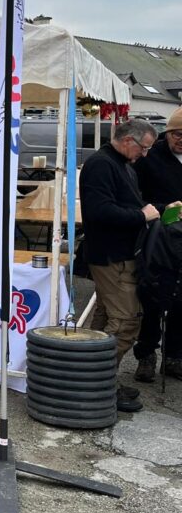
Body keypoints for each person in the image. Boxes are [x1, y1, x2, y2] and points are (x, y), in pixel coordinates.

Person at [80, 118, 160, 412]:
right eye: (144, 148)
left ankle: (92, 379)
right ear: (128, 140)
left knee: (105, 319)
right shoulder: (102, 165)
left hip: (120, 255)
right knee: (126, 322)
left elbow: (128, 204)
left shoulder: (122, 164)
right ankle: (96, 383)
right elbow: (99, 211)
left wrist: (159, 209)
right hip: (111, 256)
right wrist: (141, 216)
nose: (146, 154)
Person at [133, 108, 182, 382]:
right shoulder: (150, 158)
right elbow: (134, 196)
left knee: (181, 300)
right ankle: (146, 354)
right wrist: (164, 209)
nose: (181, 140)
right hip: (158, 236)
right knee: (153, 295)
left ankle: (174, 356)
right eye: (177, 134)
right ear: (168, 133)